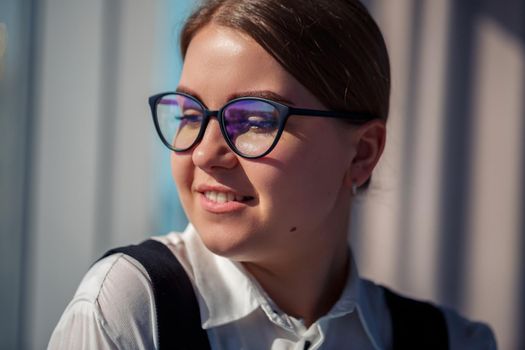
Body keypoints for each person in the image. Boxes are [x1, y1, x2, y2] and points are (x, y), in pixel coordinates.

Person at [49, 0, 497, 349]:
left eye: (256, 120)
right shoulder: (130, 309)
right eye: (190, 114)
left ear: (361, 153)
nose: (205, 152)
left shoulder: (453, 342)